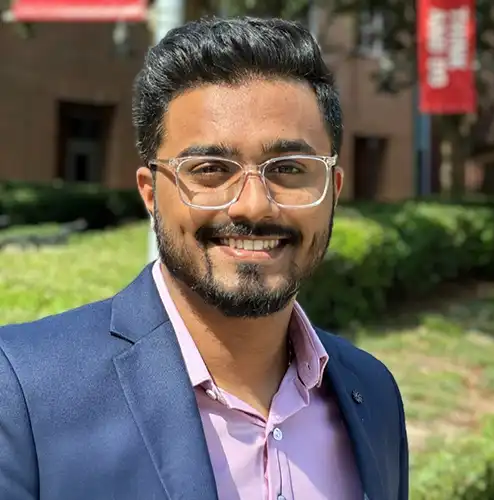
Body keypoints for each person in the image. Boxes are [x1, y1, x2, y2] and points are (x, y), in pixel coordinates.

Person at [0, 16, 408, 500]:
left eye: (290, 169)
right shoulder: (23, 391)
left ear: (332, 191)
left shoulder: (372, 393)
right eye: (211, 170)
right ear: (151, 193)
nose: (253, 205)